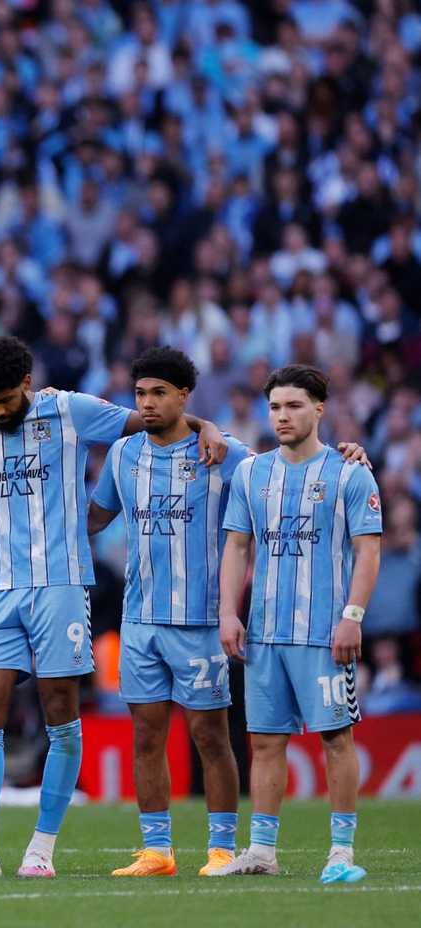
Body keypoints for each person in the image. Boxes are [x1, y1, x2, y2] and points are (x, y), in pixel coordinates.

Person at [0, 335, 230, 879]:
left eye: (5, 400)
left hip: (60, 585)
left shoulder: (70, 410)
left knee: (60, 708)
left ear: (27, 383)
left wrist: (207, 426)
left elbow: (154, 419)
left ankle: (42, 850)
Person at [214, 365, 382, 884]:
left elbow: (367, 551)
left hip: (324, 633)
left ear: (319, 409)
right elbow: (236, 545)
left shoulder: (350, 473)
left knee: (336, 738)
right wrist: (228, 612)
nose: (282, 416)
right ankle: (262, 851)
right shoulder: (251, 473)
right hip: (265, 634)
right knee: (265, 742)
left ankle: (341, 851)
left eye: (293, 405)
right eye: (275, 407)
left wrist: (352, 616)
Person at [88, 347, 249, 877]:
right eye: (140, 394)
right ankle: (157, 851)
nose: (147, 403)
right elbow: (96, 517)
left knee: (210, 736)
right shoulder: (123, 454)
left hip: (200, 621)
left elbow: (280, 478)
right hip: (139, 621)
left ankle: (222, 849)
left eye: (159, 393)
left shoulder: (223, 453)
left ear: (184, 396)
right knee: (146, 737)